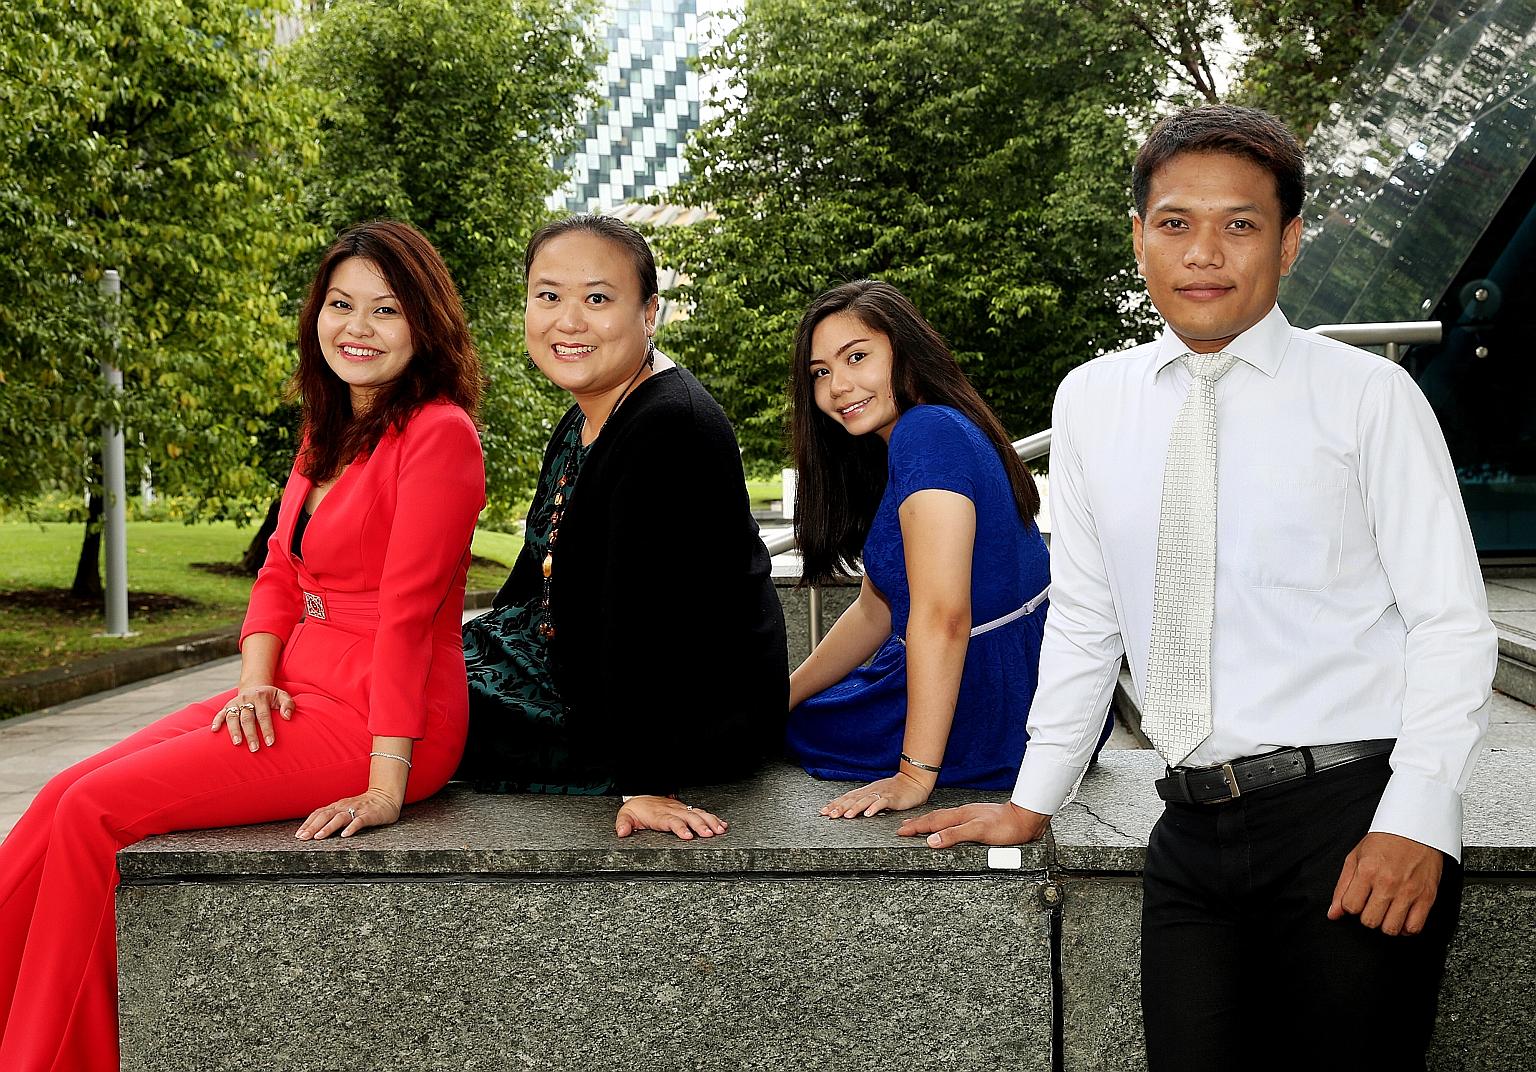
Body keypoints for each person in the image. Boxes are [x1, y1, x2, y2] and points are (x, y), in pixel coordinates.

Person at [902, 105, 1497, 1070]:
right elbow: (1088, 616)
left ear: (1290, 241)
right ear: (1139, 236)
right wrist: (1034, 794)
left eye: (1241, 224)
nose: (1204, 253)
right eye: (1175, 223)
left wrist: (1416, 818)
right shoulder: (1094, 399)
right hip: (1190, 832)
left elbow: (1452, 623)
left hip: (1349, 818)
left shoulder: (1367, 397)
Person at [0, 219, 486, 1072]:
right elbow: (276, 573)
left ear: (425, 326)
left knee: (92, 815)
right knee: (58, 796)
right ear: (317, 315)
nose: (357, 329)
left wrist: (386, 785)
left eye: (385, 310)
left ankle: (46, 1057)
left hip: (380, 715)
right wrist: (253, 682)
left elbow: (409, 618)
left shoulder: (440, 435)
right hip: (294, 692)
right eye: (342, 305)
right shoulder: (328, 427)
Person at [459, 214, 787, 840]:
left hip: (676, 717)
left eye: (598, 299)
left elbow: (643, 613)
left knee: (398, 710)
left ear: (649, 313)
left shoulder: (670, 428)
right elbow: (537, 573)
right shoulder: (589, 414)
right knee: (388, 668)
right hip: (582, 670)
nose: (569, 320)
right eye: (548, 296)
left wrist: (646, 782)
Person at [784, 281, 1108, 819]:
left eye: (856, 357)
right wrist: (783, 695)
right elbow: (874, 609)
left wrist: (913, 775)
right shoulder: (927, 431)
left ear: (907, 353)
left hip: (991, 705)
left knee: (778, 735)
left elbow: (944, 616)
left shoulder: (927, 434)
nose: (838, 385)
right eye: (821, 372)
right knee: (783, 717)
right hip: (1011, 689)